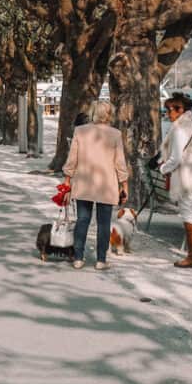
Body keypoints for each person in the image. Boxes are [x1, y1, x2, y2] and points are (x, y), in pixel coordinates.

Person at [63, 100, 128, 270]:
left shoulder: (80, 131)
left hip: (84, 182)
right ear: (109, 114)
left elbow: (72, 159)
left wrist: (67, 181)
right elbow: (120, 163)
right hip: (106, 185)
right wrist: (124, 185)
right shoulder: (115, 134)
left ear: (93, 113)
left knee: (83, 220)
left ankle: (78, 258)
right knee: (104, 223)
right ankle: (100, 260)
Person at [159, 91, 192, 269]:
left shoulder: (179, 129)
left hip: (185, 177)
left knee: (189, 213)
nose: (167, 114)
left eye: (169, 110)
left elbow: (176, 158)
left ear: (180, 110)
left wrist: (163, 168)